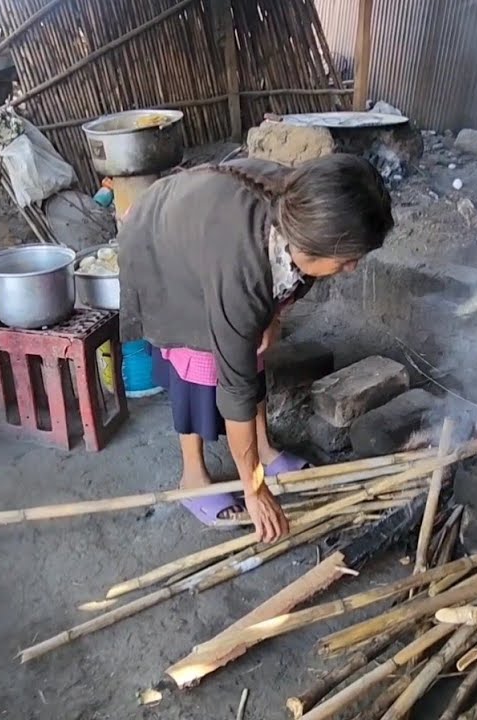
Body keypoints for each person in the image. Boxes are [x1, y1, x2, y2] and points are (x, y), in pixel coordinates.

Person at [118, 154, 394, 542]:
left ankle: (263, 448)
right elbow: (236, 390)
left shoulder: (304, 206)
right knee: (201, 367)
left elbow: (284, 290)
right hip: (161, 250)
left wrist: (273, 318)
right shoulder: (240, 272)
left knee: (254, 347)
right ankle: (193, 477)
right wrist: (254, 488)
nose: (352, 269)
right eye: (348, 261)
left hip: (203, 226)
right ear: (312, 245)